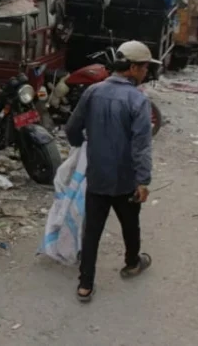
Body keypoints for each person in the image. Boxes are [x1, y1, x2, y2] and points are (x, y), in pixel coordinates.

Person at [64, 40, 158, 303]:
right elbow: (141, 146)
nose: (146, 72)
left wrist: (80, 145)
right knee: (130, 223)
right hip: (125, 178)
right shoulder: (138, 100)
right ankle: (131, 263)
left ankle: (85, 285)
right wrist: (143, 181)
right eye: (144, 68)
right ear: (132, 68)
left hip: (97, 175)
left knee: (92, 229)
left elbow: (72, 128)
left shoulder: (93, 92)